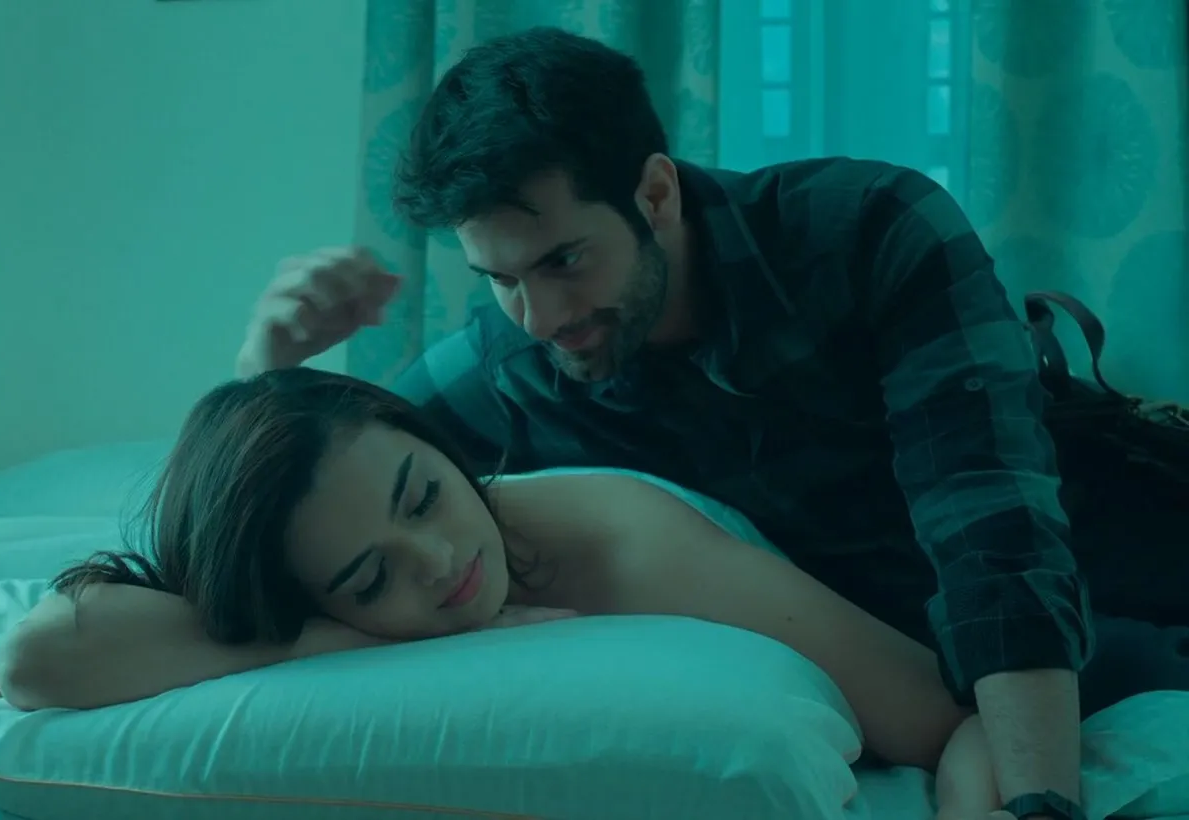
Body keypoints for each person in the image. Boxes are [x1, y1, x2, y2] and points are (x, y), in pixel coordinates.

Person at [228, 27, 1188, 820]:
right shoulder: (511, 367)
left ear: (655, 193)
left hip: (1100, 578)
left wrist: (1038, 803)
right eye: (500, 280)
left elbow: (995, 528)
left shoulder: (868, 229)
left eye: (564, 261)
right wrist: (262, 371)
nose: (541, 317)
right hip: (898, 672)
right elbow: (307, 494)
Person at [0, 367, 1029, 820]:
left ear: (435, 443)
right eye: (370, 577)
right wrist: (325, 643)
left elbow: (952, 718)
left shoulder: (634, 549)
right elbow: (38, 658)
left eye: (424, 495)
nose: (438, 559)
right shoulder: (312, 585)